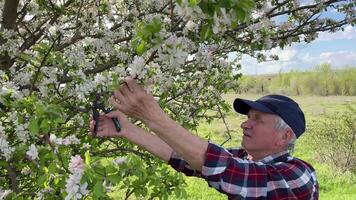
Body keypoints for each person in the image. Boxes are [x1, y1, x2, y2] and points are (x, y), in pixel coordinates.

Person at [90, 77, 319, 199]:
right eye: (248, 117)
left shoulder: (298, 176)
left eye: (257, 119)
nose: (244, 123)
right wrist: (127, 130)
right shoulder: (246, 159)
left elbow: (225, 169)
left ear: (285, 136)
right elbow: (181, 156)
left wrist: (152, 115)